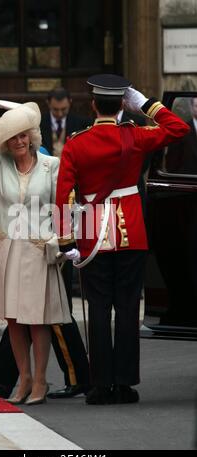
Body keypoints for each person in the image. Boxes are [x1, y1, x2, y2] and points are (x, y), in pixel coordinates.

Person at [55, 74, 190, 405]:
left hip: (92, 236)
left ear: (93, 105)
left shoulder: (76, 142)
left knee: (98, 309)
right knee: (128, 308)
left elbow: (62, 196)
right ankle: (126, 383)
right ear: (121, 105)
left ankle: (101, 385)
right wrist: (146, 105)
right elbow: (179, 129)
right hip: (131, 232)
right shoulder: (135, 135)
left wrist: (65, 242)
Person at [0, 99, 90, 399]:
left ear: (32, 136)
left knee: (37, 319)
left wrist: (64, 240)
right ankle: (23, 379)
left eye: (23, 135)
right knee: (13, 319)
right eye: (13, 137)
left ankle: (40, 381)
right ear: (7, 142)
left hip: (39, 251)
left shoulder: (52, 165)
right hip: (7, 250)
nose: (19, 141)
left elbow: (64, 207)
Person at [40, 87, 92, 158]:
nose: (60, 114)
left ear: (70, 102)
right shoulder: (39, 123)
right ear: (48, 103)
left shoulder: (81, 123)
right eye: (55, 109)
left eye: (64, 109)